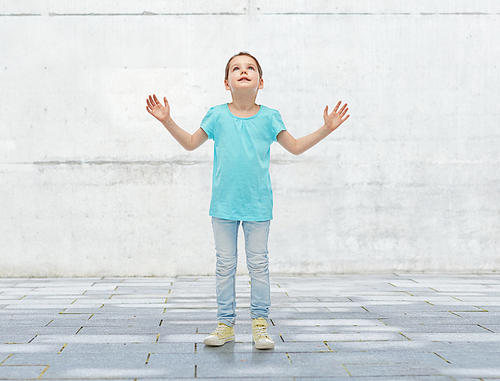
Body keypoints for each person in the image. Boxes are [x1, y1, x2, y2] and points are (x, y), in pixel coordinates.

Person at [146, 52, 350, 350]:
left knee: (258, 266)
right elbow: (190, 143)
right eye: (236, 69)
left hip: (257, 207)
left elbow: (293, 147)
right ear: (226, 82)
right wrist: (167, 121)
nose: (244, 71)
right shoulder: (216, 114)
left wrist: (326, 129)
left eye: (250, 68)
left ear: (261, 81)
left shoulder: (270, 117)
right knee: (224, 266)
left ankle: (260, 325)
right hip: (223, 207)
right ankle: (225, 325)